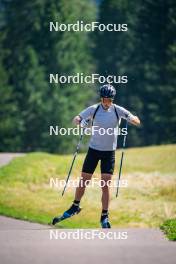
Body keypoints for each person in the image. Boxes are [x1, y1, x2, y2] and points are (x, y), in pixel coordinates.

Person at [52, 84, 140, 228]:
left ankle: (104, 216)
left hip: (109, 153)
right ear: (101, 98)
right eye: (105, 99)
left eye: (109, 100)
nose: (107, 102)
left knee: (105, 185)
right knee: (83, 181)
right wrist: (81, 123)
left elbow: (136, 120)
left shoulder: (118, 110)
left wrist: (132, 119)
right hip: (93, 151)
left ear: (112, 99)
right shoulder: (94, 109)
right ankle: (75, 206)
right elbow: (76, 119)